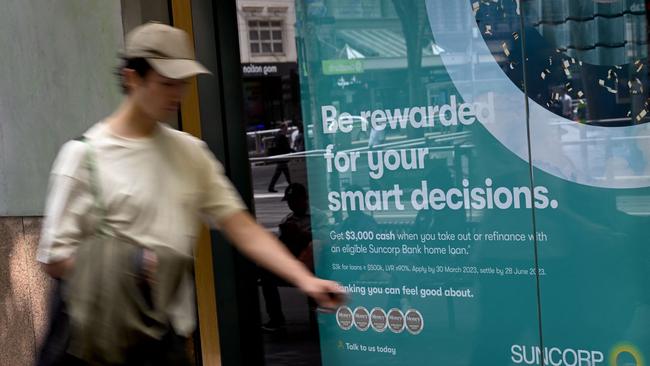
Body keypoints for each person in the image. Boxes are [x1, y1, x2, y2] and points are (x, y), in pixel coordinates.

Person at [36, 22, 344, 365]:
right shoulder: (83, 156)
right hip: (101, 342)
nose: (177, 95)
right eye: (167, 83)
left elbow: (241, 228)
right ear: (131, 78)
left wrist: (305, 280)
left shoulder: (191, 153)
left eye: (183, 83)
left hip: (165, 339)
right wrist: (130, 265)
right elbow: (54, 258)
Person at [260, 183, 313, 332]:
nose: (292, 205)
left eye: (295, 201)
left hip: (311, 262)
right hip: (292, 261)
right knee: (266, 274)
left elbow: (324, 241)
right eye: (290, 202)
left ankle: (318, 319)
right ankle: (276, 318)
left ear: (304, 199)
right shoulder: (288, 219)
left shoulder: (317, 217)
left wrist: (301, 234)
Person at [267, 122, 292, 192]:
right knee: (284, 173)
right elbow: (286, 147)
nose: (287, 130)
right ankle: (291, 186)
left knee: (280, 173)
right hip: (282, 157)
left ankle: (271, 187)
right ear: (283, 128)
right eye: (286, 128)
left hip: (280, 157)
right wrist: (293, 151)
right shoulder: (281, 136)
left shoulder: (277, 135)